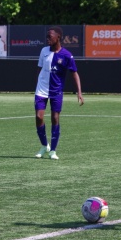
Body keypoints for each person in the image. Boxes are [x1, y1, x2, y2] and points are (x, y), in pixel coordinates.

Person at [34, 26, 84, 160]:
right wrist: (37, 83)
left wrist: (79, 92)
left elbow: (75, 74)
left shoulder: (66, 55)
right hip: (41, 90)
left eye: (50, 36)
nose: (47, 38)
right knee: (39, 117)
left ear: (58, 37)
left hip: (56, 91)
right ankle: (44, 145)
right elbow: (39, 69)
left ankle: (53, 151)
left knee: (55, 118)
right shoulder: (43, 51)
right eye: (47, 36)